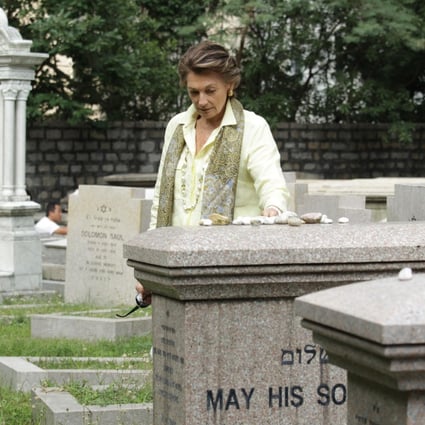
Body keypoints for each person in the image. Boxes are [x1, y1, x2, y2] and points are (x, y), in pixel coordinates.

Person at [137, 39, 290, 304]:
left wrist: (273, 209)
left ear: (230, 86)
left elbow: (272, 183)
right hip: (174, 262)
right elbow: (162, 199)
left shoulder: (254, 127)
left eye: (210, 90)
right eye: (193, 92)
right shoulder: (176, 126)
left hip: (230, 263)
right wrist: (150, 263)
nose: (202, 100)